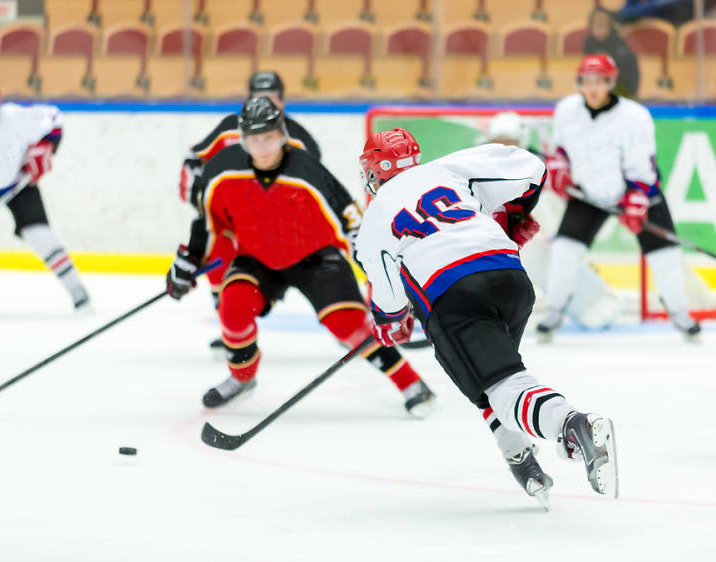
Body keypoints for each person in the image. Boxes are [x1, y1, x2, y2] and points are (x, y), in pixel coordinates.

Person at [355, 128, 619, 504]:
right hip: (511, 280)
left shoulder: (377, 213)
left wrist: (390, 322)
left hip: (457, 296)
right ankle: (519, 457)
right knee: (488, 377)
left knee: (503, 385)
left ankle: (570, 424)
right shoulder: (448, 169)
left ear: (375, 170)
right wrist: (511, 217)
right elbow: (531, 167)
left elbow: (387, 294)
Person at [166, 96, 436, 418]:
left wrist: (376, 269)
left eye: (268, 137)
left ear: (281, 134)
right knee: (232, 308)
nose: (263, 147)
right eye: (254, 139)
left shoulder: (307, 170)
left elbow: (350, 218)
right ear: (243, 138)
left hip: (316, 258)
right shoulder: (221, 170)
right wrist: (189, 261)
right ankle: (242, 379)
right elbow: (207, 222)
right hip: (257, 258)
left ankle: (411, 384)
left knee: (347, 323)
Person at [538, 54, 700, 340]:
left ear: (610, 83)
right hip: (588, 194)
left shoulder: (634, 116)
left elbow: (644, 165)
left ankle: (680, 315)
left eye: (599, 82)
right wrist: (560, 167)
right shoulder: (566, 110)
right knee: (565, 251)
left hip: (635, 192)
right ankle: (554, 312)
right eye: (587, 81)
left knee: (666, 255)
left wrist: (637, 199)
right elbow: (560, 149)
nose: (593, 88)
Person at [178, 71, 321, 350]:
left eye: (271, 98)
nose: (265, 104)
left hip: (281, 229)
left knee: (319, 266)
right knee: (218, 250)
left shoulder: (298, 138)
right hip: (235, 224)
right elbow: (192, 160)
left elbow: (316, 185)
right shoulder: (229, 127)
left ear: (282, 101)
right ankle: (231, 328)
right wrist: (201, 196)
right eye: (258, 98)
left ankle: (342, 311)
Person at [487, 111, 623, 330]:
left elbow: (554, 200)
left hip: (535, 236)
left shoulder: (536, 166)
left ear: (520, 141)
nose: (503, 146)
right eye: (498, 141)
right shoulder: (482, 166)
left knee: (549, 264)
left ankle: (594, 301)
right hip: (504, 236)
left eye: (509, 141)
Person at [0, 79, 89, 310]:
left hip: (19, 182)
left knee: (41, 237)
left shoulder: (15, 118)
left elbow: (54, 118)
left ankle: (77, 291)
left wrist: (46, 146)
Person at [583, 7, 639, 98]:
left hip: (620, 86)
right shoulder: (588, 42)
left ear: (610, 27)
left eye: (604, 26)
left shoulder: (618, 42)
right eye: (597, 27)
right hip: (597, 86)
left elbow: (627, 69)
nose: (600, 31)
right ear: (591, 27)